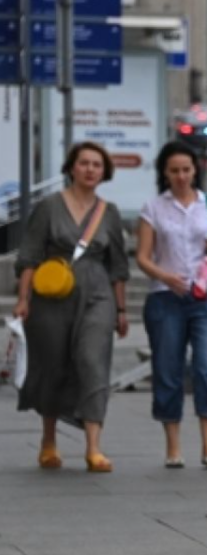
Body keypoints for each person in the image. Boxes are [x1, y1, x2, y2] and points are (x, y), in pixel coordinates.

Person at [12, 141, 130, 472]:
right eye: (84, 163)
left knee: (93, 361)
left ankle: (93, 447)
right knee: (52, 366)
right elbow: (30, 256)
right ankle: (49, 440)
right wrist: (23, 300)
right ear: (71, 168)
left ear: (104, 172)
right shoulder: (49, 206)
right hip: (51, 296)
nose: (90, 169)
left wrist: (121, 311)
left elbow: (118, 266)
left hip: (97, 295)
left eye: (97, 164)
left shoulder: (109, 212)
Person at [135, 141, 207, 468]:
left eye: (186, 170)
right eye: (174, 171)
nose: (181, 176)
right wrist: (165, 277)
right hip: (166, 297)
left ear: (196, 170)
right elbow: (142, 257)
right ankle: (173, 447)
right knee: (168, 369)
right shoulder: (154, 208)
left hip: (206, 295)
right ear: (164, 174)